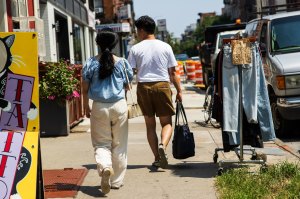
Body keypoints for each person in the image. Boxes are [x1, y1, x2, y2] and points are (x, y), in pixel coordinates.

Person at [82, 28, 133, 194]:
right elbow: (128, 85)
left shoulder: (90, 63)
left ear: (97, 43)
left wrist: (85, 106)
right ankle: (116, 181)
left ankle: (105, 167)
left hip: (99, 106)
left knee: (101, 143)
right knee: (119, 144)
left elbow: (84, 88)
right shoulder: (122, 63)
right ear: (115, 44)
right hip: (119, 105)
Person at [128, 15, 182, 169]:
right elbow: (173, 73)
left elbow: (130, 72)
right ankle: (163, 145)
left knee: (150, 126)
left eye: (137, 30)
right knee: (166, 123)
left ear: (142, 30)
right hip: (162, 86)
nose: (137, 34)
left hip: (144, 88)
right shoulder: (166, 46)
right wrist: (179, 91)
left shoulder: (135, 49)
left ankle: (157, 158)